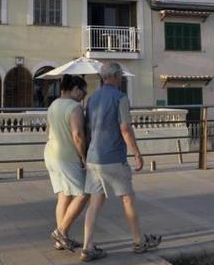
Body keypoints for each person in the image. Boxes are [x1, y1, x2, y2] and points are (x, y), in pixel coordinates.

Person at [80, 62, 161, 262]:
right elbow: (125, 128)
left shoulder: (92, 98)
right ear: (116, 76)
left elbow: (88, 129)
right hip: (113, 157)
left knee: (95, 202)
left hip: (93, 157)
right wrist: (137, 154)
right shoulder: (120, 98)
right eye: (121, 76)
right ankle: (138, 241)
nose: (122, 79)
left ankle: (87, 246)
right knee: (127, 198)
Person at [44, 74, 90, 251]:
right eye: (82, 92)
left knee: (64, 195)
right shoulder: (74, 107)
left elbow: (47, 130)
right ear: (75, 89)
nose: (83, 96)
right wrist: (84, 157)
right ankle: (61, 232)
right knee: (84, 193)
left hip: (51, 153)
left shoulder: (53, 105)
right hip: (67, 156)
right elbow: (78, 136)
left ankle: (60, 240)